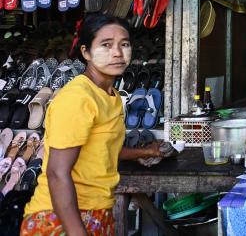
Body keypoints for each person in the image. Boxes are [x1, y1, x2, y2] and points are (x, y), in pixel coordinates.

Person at [21, 14, 163, 236]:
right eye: (106, 45)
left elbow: (101, 150)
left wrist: (142, 152)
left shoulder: (110, 95)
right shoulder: (78, 98)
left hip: (95, 213)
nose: (117, 53)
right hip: (61, 219)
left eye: (124, 44)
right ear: (86, 52)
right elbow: (57, 173)